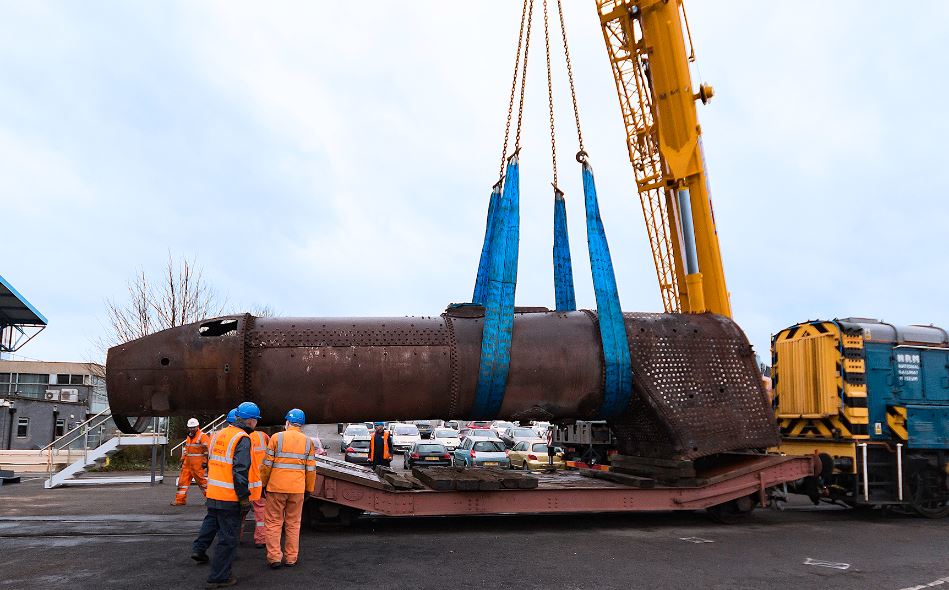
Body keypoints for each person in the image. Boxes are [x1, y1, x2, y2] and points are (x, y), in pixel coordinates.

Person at [191, 401, 263, 589]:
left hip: (214, 493)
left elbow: (211, 462)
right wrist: (243, 497)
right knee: (228, 539)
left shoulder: (217, 435)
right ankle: (220, 576)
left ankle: (199, 550)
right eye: (256, 421)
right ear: (251, 421)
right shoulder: (242, 438)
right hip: (229, 497)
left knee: (212, 524)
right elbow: (240, 470)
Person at [259, 408, 316, 569]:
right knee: (293, 523)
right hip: (297, 489)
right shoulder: (307, 442)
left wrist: (263, 484)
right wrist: (309, 489)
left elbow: (266, 465)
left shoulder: (277, 438)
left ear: (287, 422)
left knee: (273, 522)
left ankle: (274, 557)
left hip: (276, 487)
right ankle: (291, 558)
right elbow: (311, 470)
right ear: (301, 424)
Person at [171, 418, 210, 506]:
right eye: (190, 427)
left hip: (197, 465)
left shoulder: (202, 436)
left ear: (197, 427)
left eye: (193, 427)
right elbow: (186, 449)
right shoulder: (190, 436)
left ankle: (211, 499)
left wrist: (205, 462)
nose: (191, 429)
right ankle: (180, 500)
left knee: (202, 483)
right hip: (187, 465)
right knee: (182, 482)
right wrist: (182, 459)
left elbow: (207, 450)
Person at [244, 423, 270, 548]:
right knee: (260, 510)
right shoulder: (262, 436)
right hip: (258, 480)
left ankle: (234, 538)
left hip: (242, 480)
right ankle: (261, 539)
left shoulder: (239, 437)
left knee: (240, 512)